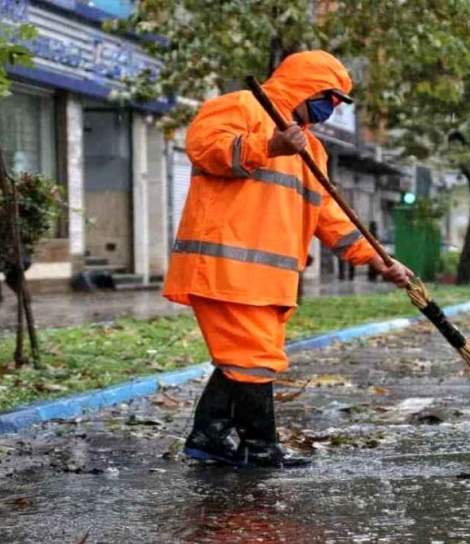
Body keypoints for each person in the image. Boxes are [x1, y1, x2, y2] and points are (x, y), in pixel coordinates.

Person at [162, 50, 412, 468]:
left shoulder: (312, 148)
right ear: (305, 85)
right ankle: (261, 448)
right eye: (329, 97)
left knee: (244, 358)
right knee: (254, 359)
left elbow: (331, 215)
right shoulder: (240, 106)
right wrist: (270, 144)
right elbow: (206, 149)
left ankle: (209, 435)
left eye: (338, 103)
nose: (330, 108)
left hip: (269, 281)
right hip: (225, 270)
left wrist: (379, 259)